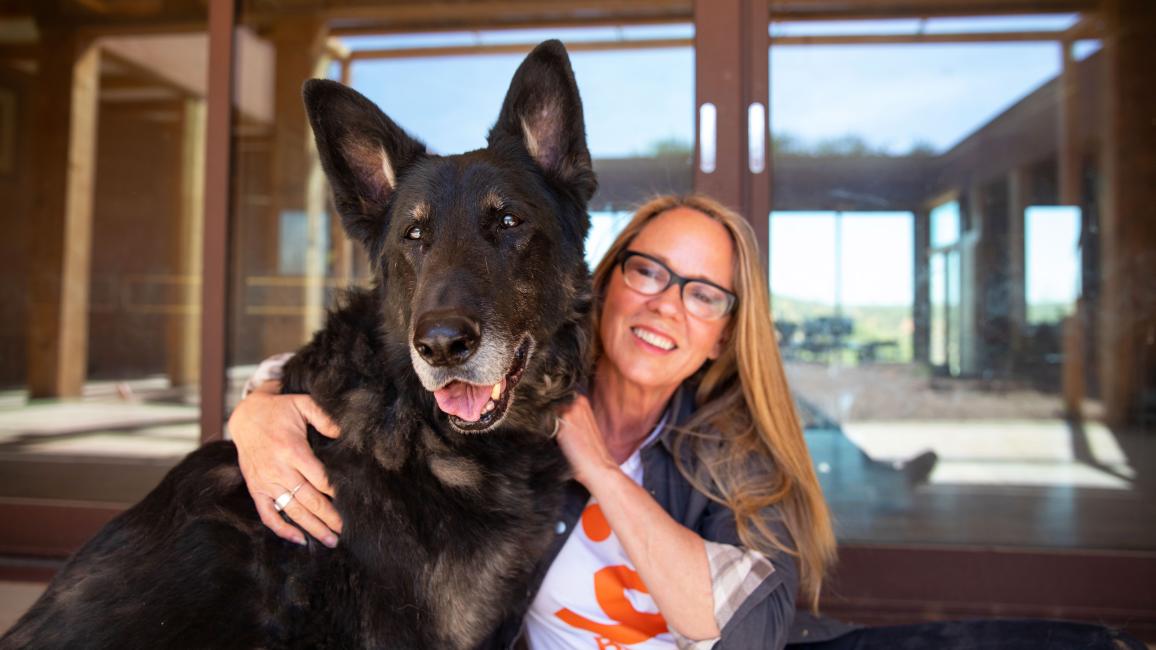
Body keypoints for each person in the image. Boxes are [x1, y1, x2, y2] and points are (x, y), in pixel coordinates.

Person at [228, 194, 847, 648]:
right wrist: (260, 406)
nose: (666, 304)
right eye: (649, 271)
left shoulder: (735, 455)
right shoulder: (511, 402)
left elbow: (753, 630)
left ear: (721, 338)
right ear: (605, 281)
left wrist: (601, 471)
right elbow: (382, 369)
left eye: (704, 294)